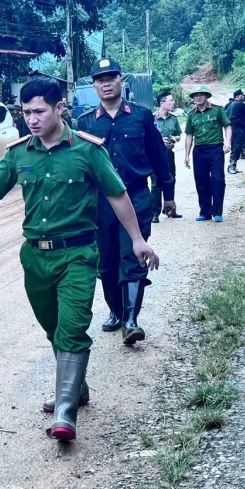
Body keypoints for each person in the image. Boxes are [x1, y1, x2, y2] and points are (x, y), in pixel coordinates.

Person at [0, 76, 159, 442]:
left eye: (39, 111)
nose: (32, 119)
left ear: (59, 108)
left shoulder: (88, 150)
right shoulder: (19, 153)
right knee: (53, 328)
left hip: (77, 253)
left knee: (73, 327)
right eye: (26, 112)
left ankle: (65, 410)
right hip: (35, 258)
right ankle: (78, 387)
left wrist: (137, 239)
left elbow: (118, 195)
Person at [75, 58, 175, 345]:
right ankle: (116, 311)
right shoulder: (84, 124)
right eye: (99, 79)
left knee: (133, 255)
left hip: (136, 196)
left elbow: (158, 158)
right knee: (106, 263)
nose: (106, 83)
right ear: (94, 86)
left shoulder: (142, 117)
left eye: (111, 77)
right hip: (100, 203)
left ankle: (131, 320)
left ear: (121, 80)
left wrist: (168, 195)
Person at [182, 86, 231, 222]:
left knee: (218, 180)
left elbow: (227, 126)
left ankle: (217, 212)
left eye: (201, 95)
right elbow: (189, 135)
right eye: (195, 95)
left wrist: (228, 142)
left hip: (216, 149)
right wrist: (186, 154)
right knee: (201, 181)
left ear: (207, 96)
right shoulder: (192, 114)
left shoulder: (217, 110)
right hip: (199, 150)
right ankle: (205, 211)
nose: (198, 97)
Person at [153, 91, 184, 221]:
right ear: (162, 103)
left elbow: (178, 135)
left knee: (171, 180)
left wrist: (174, 138)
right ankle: (154, 213)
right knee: (156, 183)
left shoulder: (174, 118)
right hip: (154, 154)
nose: (173, 103)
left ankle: (170, 210)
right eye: (170, 100)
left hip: (168, 153)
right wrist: (160, 140)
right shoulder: (151, 118)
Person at [225, 90, 245, 173]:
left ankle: (233, 166)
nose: (243, 96)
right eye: (242, 95)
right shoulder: (241, 105)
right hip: (239, 128)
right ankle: (231, 166)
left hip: (232, 127)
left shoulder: (230, 105)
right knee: (237, 147)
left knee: (235, 146)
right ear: (238, 96)